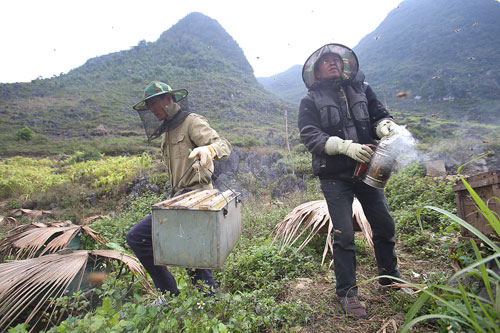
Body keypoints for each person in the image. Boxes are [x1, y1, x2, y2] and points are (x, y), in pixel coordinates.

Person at [298, 44, 401, 320]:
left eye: (336, 60)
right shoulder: (310, 100)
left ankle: (390, 278)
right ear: (316, 70)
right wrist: (344, 146)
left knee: (383, 223)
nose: (333, 63)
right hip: (334, 175)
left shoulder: (362, 89)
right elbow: (310, 136)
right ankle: (347, 293)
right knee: (343, 233)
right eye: (326, 61)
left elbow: (380, 113)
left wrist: (384, 126)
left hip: (368, 169)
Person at [126, 81, 232, 300]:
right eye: (149, 105)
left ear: (169, 99)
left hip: (198, 196)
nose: (153, 109)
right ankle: (197, 299)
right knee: (188, 252)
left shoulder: (192, 122)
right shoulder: (166, 131)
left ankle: (182, 297)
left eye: (155, 102)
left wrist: (208, 149)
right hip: (179, 198)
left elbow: (224, 146)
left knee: (140, 237)